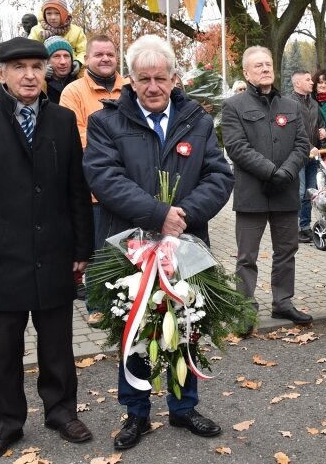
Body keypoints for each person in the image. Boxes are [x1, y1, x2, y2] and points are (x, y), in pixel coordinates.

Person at [0, 37, 94, 462]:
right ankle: (4, 425)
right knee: (3, 351)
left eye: (36, 66)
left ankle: (62, 412)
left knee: (58, 347)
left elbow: (75, 190)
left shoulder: (62, 120)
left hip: (54, 254)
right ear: (2, 74)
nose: (30, 75)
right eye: (19, 67)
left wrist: (81, 248)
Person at [83, 35, 233, 450]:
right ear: (130, 79)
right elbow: (103, 177)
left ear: (173, 79)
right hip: (130, 247)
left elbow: (219, 176)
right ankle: (137, 413)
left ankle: (185, 408)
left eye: (160, 78)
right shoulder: (106, 121)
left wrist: (183, 215)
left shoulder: (197, 120)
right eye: (144, 78)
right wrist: (156, 214)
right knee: (136, 330)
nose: (153, 87)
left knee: (185, 326)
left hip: (185, 243)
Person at [222, 46, 312, 329]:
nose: (265, 69)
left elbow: (302, 144)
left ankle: (283, 303)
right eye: (258, 65)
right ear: (246, 73)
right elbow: (236, 147)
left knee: (287, 252)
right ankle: (245, 310)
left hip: (285, 192)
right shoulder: (234, 106)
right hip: (253, 194)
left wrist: (286, 171)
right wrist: (272, 171)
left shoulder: (292, 106)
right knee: (246, 256)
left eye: (268, 64)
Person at [59, 35, 126, 325]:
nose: (105, 59)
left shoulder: (130, 89)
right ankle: (96, 304)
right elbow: (76, 136)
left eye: (110, 54)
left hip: (129, 185)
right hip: (94, 186)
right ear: (86, 59)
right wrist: (121, 143)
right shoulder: (73, 92)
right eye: (98, 54)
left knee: (126, 246)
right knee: (98, 250)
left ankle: (126, 300)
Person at [286, 70, 321, 243]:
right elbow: (292, 131)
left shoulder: (314, 104)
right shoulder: (288, 103)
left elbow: (317, 126)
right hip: (297, 154)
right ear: (297, 83)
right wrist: (309, 147)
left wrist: (322, 133)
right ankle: (293, 228)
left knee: (310, 192)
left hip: (313, 156)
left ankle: (305, 228)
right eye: (308, 80)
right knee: (298, 193)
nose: (312, 82)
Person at [28, 0, 87, 68]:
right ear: (44, 14)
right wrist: (41, 67)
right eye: (49, 13)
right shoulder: (36, 31)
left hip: (71, 71)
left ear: (64, 14)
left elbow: (84, 51)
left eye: (57, 13)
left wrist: (78, 62)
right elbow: (30, 53)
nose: (53, 17)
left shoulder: (76, 31)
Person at [43, 36, 81, 104]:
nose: (63, 62)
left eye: (66, 56)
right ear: (47, 61)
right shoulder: (40, 85)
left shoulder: (82, 79)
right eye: (56, 56)